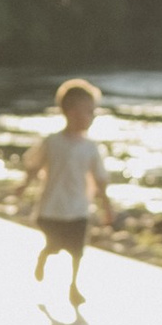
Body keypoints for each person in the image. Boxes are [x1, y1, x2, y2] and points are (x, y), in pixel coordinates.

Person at [24, 78, 113, 307]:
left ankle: (74, 286)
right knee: (54, 245)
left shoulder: (91, 147)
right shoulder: (52, 142)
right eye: (88, 112)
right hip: (52, 206)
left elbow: (100, 179)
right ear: (71, 113)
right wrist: (23, 186)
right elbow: (34, 166)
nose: (92, 117)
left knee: (77, 250)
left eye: (93, 113)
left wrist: (107, 206)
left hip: (78, 208)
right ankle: (45, 255)